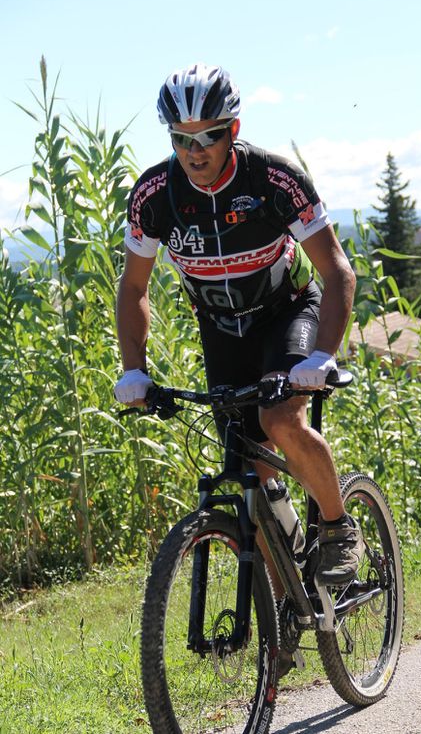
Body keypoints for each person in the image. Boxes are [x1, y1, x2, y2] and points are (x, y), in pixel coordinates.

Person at [114, 63, 363, 599]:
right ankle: (284, 618)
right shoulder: (155, 195)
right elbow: (134, 287)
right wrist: (133, 369)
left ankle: (339, 527)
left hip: (287, 311)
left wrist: (322, 355)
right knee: (247, 464)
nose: (195, 149)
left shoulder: (273, 178)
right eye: (182, 138)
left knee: (280, 420)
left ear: (234, 129)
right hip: (220, 326)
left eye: (210, 134)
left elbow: (337, 271)